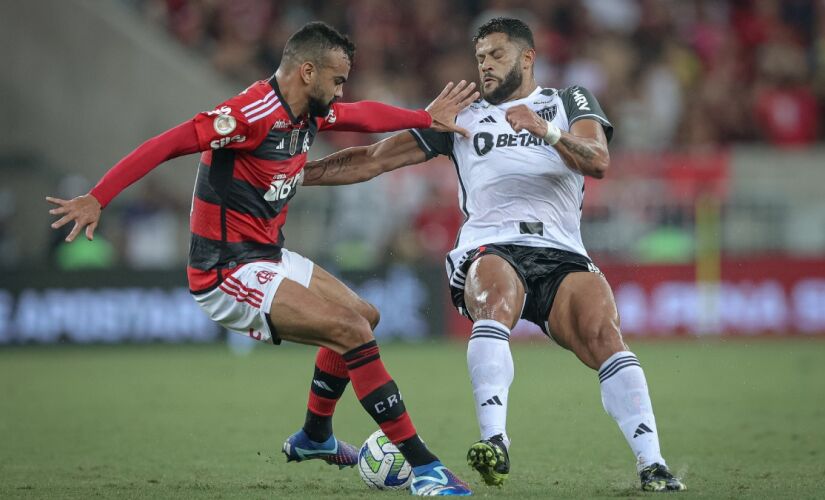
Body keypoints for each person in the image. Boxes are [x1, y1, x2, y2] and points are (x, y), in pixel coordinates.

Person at [46, 21, 477, 497]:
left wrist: (422, 117)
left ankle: (315, 437)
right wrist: (98, 198)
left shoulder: (310, 111)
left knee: (363, 316)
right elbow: (166, 144)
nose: (339, 93)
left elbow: (363, 116)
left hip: (267, 256)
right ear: (307, 71)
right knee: (350, 331)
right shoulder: (247, 114)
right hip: (224, 271)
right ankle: (426, 468)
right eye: (336, 80)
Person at [298, 17, 686, 493]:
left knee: (604, 333)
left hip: (561, 250)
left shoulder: (567, 101)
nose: (485, 65)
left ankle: (653, 465)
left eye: (496, 55)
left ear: (527, 58)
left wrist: (545, 132)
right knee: (496, 293)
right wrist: (298, 172)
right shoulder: (461, 114)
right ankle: (494, 441)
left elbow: (598, 159)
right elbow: (373, 159)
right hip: (491, 244)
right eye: (480, 57)